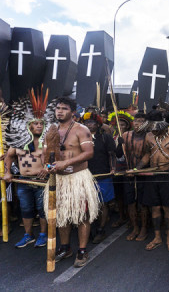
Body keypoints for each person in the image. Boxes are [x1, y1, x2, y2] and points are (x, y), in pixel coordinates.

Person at [46, 97, 100, 268]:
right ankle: (65, 247)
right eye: (57, 108)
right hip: (58, 179)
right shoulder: (52, 130)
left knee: (82, 215)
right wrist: (46, 165)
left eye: (64, 108)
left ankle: (82, 250)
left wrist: (65, 163)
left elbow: (89, 152)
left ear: (73, 112)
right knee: (61, 215)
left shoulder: (81, 130)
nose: (59, 111)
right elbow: (46, 152)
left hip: (78, 179)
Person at [4, 89, 56, 248]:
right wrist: (7, 172)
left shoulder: (49, 142)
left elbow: (54, 159)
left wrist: (47, 169)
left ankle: (42, 234)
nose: (39, 125)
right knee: (25, 209)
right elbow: (9, 155)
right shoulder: (18, 142)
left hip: (41, 182)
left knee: (42, 209)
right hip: (23, 181)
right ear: (29, 125)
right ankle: (28, 235)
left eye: (41, 123)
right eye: (35, 123)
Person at [132, 109, 169, 251]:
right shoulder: (149, 136)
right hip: (152, 175)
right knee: (155, 207)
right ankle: (157, 237)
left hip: (168, 175)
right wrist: (137, 168)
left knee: (167, 207)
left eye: (157, 129)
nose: (154, 131)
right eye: (152, 129)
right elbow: (146, 155)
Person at [81, 112, 116, 244]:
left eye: (92, 122)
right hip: (84, 176)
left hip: (103, 175)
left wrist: (113, 168)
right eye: (87, 122)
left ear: (98, 124)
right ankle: (89, 229)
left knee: (102, 204)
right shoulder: (80, 138)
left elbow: (112, 154)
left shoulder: (105, 138)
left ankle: (101, 229)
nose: (89, 124)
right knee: (87, 205)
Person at [119, 112, 149, 241]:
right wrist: (119, 145)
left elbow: (148, 155)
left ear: (146, 123)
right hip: (128, 174)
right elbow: (120, 154)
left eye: (142, 121)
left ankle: (143, 229)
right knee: (130, 203)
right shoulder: (126, 135)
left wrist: (137, 169)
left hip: (142, 174)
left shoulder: (149, 137)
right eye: (136, 121)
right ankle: (135, 227)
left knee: (143, 203)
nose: (138, 124)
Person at [108, 110, 134, 228]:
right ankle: (122, 217)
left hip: (128, 169)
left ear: (127, 125)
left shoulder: (131, 136)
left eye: (123, 124)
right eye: (119, 124)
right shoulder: (113, 137)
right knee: (119, 195)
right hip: (116, 170)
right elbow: (113, 153)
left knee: (128, 195)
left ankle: (131, 218)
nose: (121, 126)